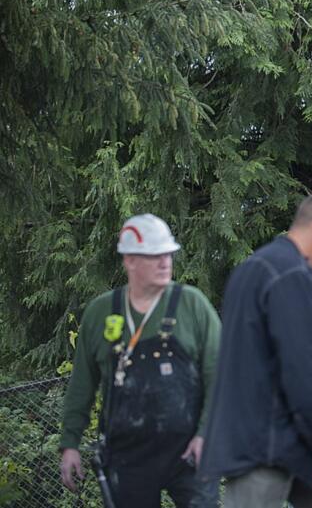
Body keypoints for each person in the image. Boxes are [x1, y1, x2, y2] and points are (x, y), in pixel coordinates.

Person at [200, 189, 312, 508]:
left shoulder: (254, 268)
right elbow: (305, 369)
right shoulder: (292, 276)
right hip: (265, 445)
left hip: (290, 442)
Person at [59, 213, 221, 507]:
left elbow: (220, 376)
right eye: (154, 255)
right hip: (126, 455)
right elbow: (81, 386)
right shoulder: (100, 313)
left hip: (189, 452)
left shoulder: (192, 304)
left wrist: (206, 434)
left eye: (168, 254)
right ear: (130, 260)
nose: (165, 262)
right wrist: (69, 444)